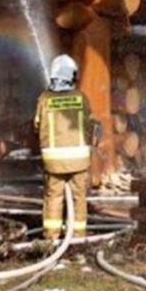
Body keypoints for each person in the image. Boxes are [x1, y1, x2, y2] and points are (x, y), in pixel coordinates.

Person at [34, 54, 96, 240]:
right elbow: (90, 124)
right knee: (79, 199)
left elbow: (37, 125)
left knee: (53, 198)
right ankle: (77, 238)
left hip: (53, 162)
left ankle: (51, 239)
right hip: (79, 160)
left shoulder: (44, 99)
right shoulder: (81, 98)